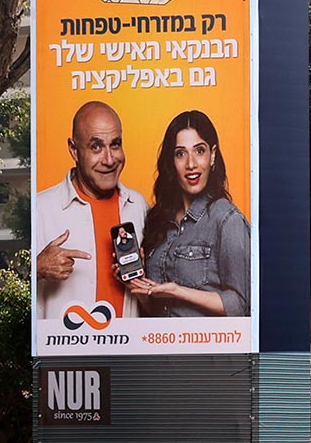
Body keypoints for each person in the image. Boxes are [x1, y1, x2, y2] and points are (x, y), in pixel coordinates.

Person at [33, 100, 149, 321]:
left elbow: (155, 305)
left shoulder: (139, 205)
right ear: (74, 150)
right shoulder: (41, 209)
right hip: (65, 352)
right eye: (96, 146)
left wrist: (143, 278)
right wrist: (37, 268)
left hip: (128, 351)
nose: (109, 159)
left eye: (115, 144)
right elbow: (3, 295)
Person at [128, 110, 251, 317]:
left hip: (205, 348)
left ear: (212, 155)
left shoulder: (227, 220)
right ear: (172, 162)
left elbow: (240, 305)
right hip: (160, 346)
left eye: (199, 151)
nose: (191, 164)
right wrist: (138, 287)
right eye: (180, 153)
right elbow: (154, 311)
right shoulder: (159, 220)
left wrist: (178, 292)